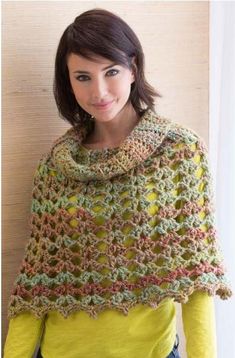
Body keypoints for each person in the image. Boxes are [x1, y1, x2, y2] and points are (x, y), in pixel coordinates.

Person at [4, 8, 232, 358]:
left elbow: (196, 278)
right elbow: (36, 286)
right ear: (68, 82)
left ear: (133, 69)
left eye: (111, 72)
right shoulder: (55, 167)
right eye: (83, 77)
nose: (99, 91)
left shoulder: (178, 152)